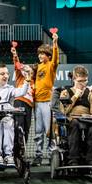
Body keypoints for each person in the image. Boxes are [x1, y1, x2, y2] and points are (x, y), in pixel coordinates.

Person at [57, 65, 92, 164]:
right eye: (80, 81)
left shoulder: (90, 93)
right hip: (72, 120)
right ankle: (73, 158)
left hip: (87, 120)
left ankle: (91, 159)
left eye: (85, 81)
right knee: (75, 124)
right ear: (74, 79)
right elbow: (64, 111)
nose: (83, 84)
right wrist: (75, 96)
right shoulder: (65, 92)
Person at [31, 31, 61, 165]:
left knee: (50, 132)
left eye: (42, 54)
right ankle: (38, 156)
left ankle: (51, 156)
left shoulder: (51, 66)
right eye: (39, 54)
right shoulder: (38, 67)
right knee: (38, 131)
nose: (40, 55)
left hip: (47, 103)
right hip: (37, 103)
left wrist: (54, 43)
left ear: (48, 55)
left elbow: (56, 59)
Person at [10, 43, 35, 139]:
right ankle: (15, 146)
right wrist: (15, 54)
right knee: (18, 125)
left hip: (29, 106)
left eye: (31, 70)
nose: (28, 70)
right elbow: (17, 65)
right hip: (19, 101)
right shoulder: (20, 77)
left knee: (26, 127)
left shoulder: (34, 83)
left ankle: (22, 149)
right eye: (26, 68)